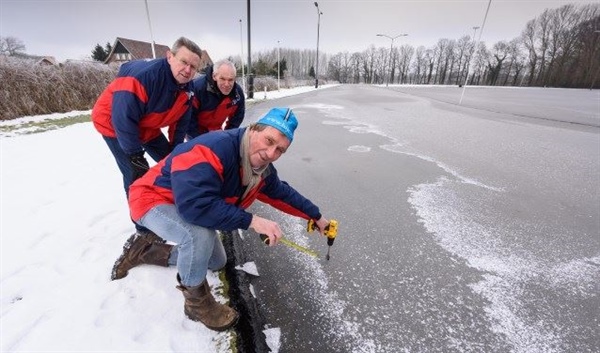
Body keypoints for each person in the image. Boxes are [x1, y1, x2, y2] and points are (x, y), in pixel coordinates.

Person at [112, 107, 331, 332]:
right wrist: (252, 221)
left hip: (182, 204)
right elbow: (194, 207)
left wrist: (316, 216)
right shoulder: (213, 149)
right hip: (150, 199)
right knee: (197, 236)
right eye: (269, 140)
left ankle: (143, 251)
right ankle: (197, 305)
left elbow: (283, 194)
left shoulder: (260, 169)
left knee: (216, 261)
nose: (270, 152)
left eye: (279, 150)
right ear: (254, 129)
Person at [92, 36, 203, 239]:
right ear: (170, 56)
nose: (188, 70)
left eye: (193, 67)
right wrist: (135, 156)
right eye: (184, 62)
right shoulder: (144, 77)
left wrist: (174, 151)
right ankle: (142, 226)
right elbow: (123, 117)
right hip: (114, 125)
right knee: (136, 174)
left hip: (145, 126)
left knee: (173, 164)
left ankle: (173, 203)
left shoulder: (187, 89)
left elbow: (180, 123)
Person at [187, 59, 245, 139]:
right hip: (196, 131)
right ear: (214, 76)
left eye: (231, 80)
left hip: (217, 130)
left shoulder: (237, 94)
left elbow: (237, 117)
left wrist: (228, 135)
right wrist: (199, 140)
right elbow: (189, 119)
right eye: (222, 79)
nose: (227, 84)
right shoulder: (197, 89)